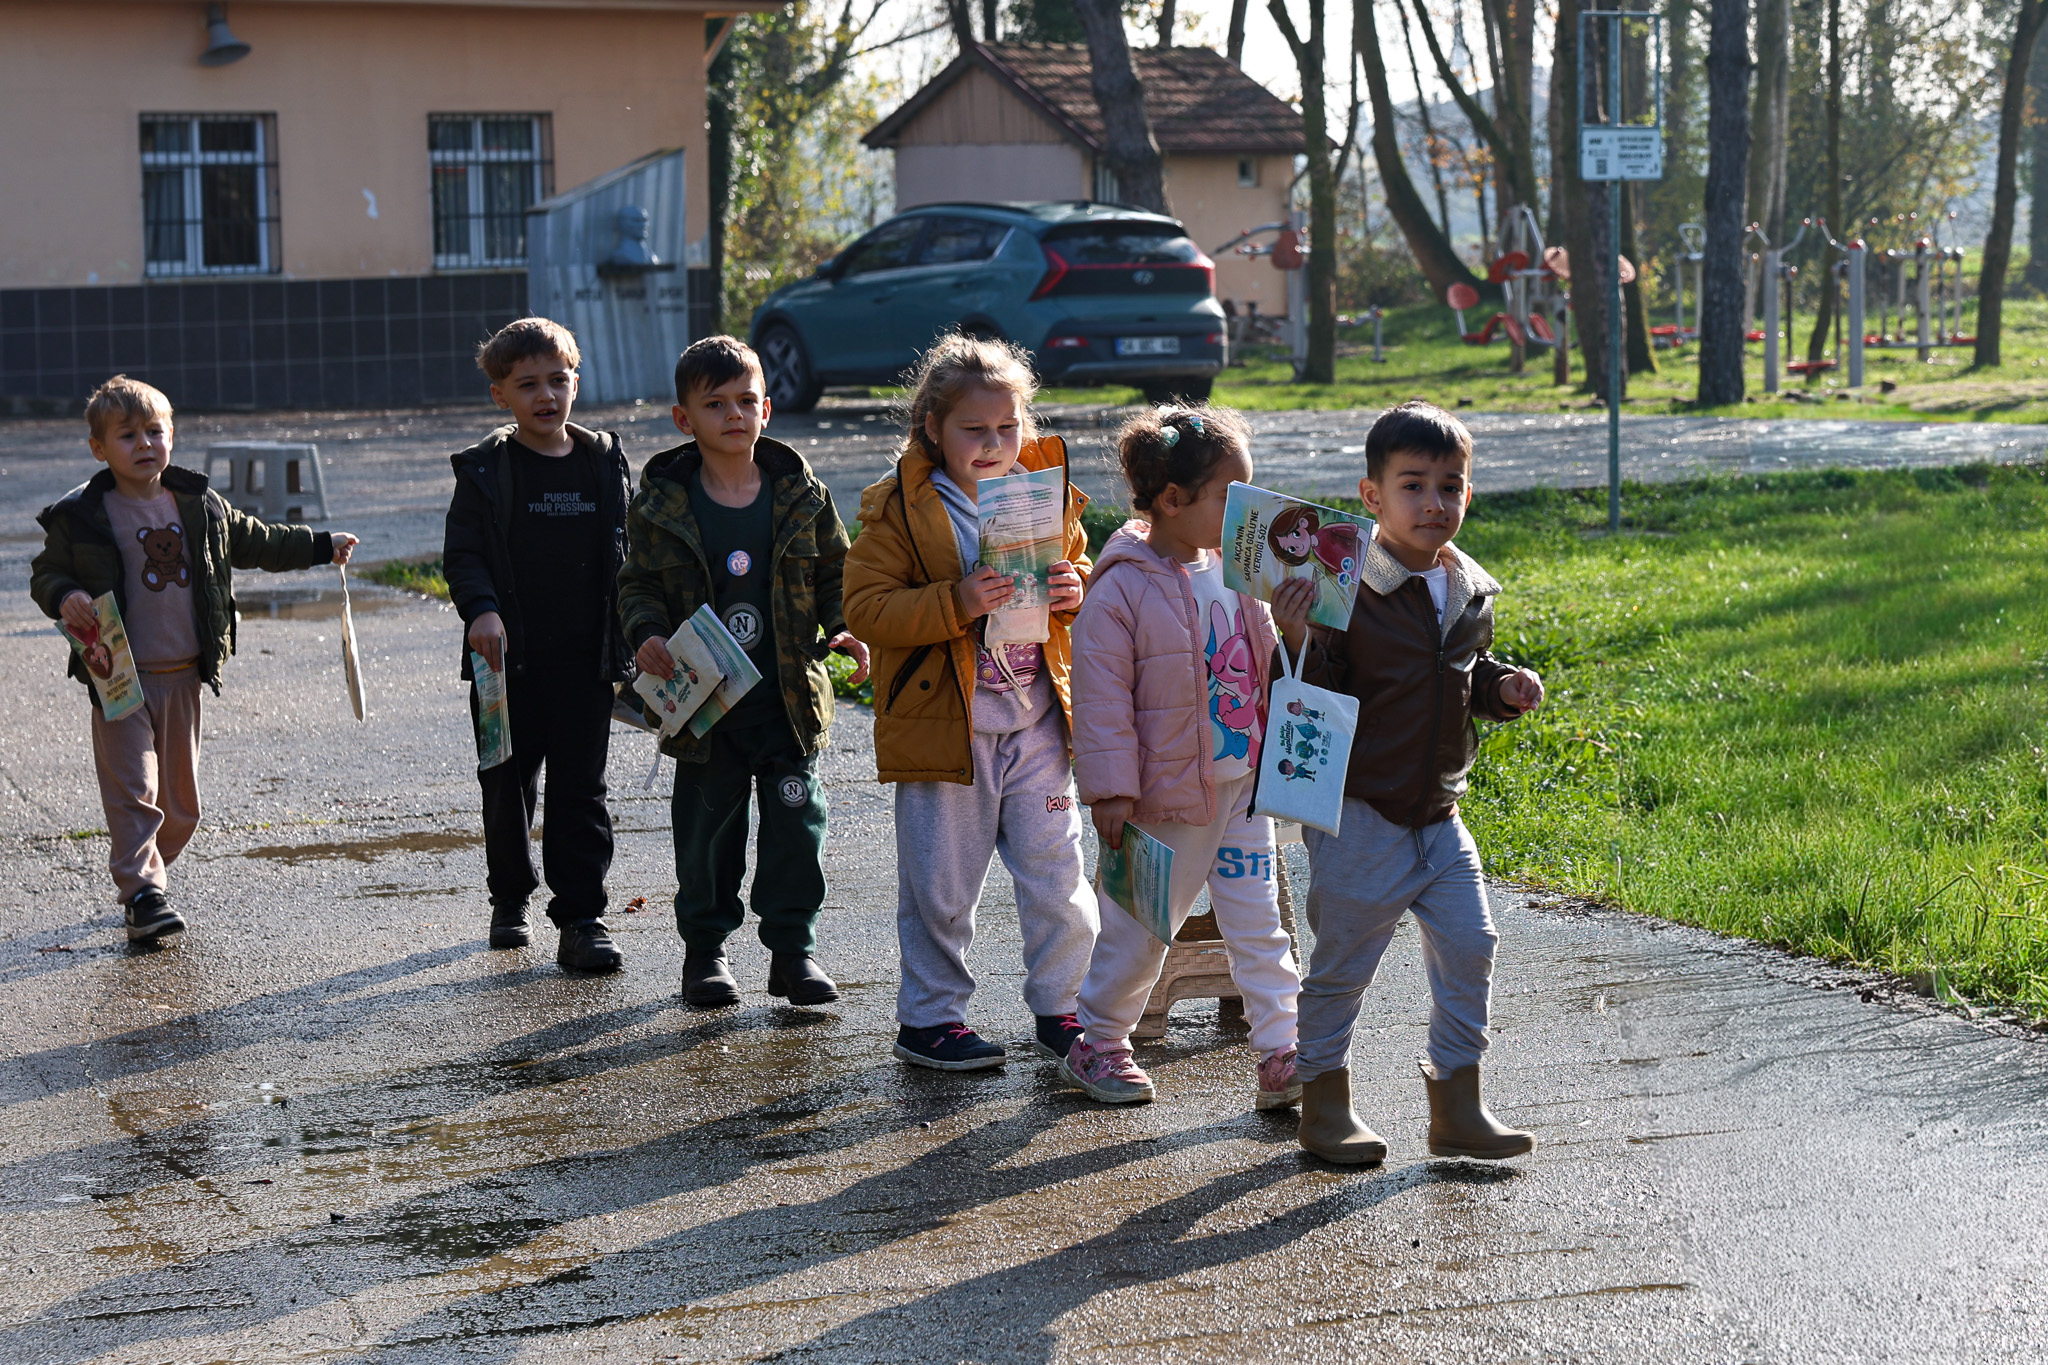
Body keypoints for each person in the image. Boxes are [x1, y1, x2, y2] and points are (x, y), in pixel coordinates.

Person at [1272, 400, 1546, 1164]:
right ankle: (1323, 1103)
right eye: (1413, 485)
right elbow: (1310, 691)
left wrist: (1502, 688)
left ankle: (1457, 1102)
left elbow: (1462, 672)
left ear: (1469, 492)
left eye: (1451, 486)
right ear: (1372, 497)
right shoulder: (1347, 585)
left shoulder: (1466, 586)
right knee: (1342, 965)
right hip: (1362, 812)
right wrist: (1295, 634)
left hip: (1439, 812)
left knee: (1472, 942)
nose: (1434, 503)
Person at [30, 375, 359, 942]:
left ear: (172, 436)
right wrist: (66, 596)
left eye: (154, 431)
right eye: (127, 435)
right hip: (119, 677)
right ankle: (142, 894)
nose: (143, 444)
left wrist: (318, 544)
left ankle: (147, 877)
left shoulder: (198, 504)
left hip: (184, 675)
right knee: (135, 791)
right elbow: (46, 573)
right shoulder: (83, 515)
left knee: (182, 808)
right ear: (99, 449)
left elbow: (258, 540)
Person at [842, 334, 1095, 1071]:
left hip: (1037, 720)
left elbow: (1071, 564)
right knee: (941, 887)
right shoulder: (901, 506)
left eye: (1008, 428)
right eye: (974, 430)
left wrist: (1073, 589)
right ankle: (930, 1021)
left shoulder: (1040, 491)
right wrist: (953, 601)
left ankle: (1062, 1009)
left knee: (1058, 875)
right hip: (946, 727)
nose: (994, 445)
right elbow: (865, 606)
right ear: (932, 427)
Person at [1062, 405, 1305, 1106]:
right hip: (1160, 800)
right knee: (1141, 930)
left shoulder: (1236, 570)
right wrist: (1109, 790)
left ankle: (1282, 1054)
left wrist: (1292, 629)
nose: (1248, 512)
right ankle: (1099, 1040)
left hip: (1238, 791)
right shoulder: (1121, 587)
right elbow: (1100, 696)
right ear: (1173, 500)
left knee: (1260, 923)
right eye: (1233, 496)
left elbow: (1264, 667)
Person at [618, 335, 867, 1008]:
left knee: (796, 828)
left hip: (786, 705)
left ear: (767, 409)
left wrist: (843, 625)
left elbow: (835, 572)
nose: (734, 413)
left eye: (746, 400)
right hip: (706, 708)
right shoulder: (662, 504)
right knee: (707, 835)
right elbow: (636, 583)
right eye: (715, 403)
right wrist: (644, 634)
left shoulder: (801, 495)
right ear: (684, 419)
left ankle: (794, 952)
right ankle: (705, 952)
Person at [443, 317, 632, 973]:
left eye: (559, 380)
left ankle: (581, 918)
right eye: (528, 385)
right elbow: (464, 555)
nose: (546, 396)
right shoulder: (486, 472)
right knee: (506, 785)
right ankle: (510, 896)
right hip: (504, 667)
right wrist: (482, 611)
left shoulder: (603, 462)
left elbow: (628, 554)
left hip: (585, 667)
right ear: (500, 394)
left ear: (576, 380)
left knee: (582, 793)